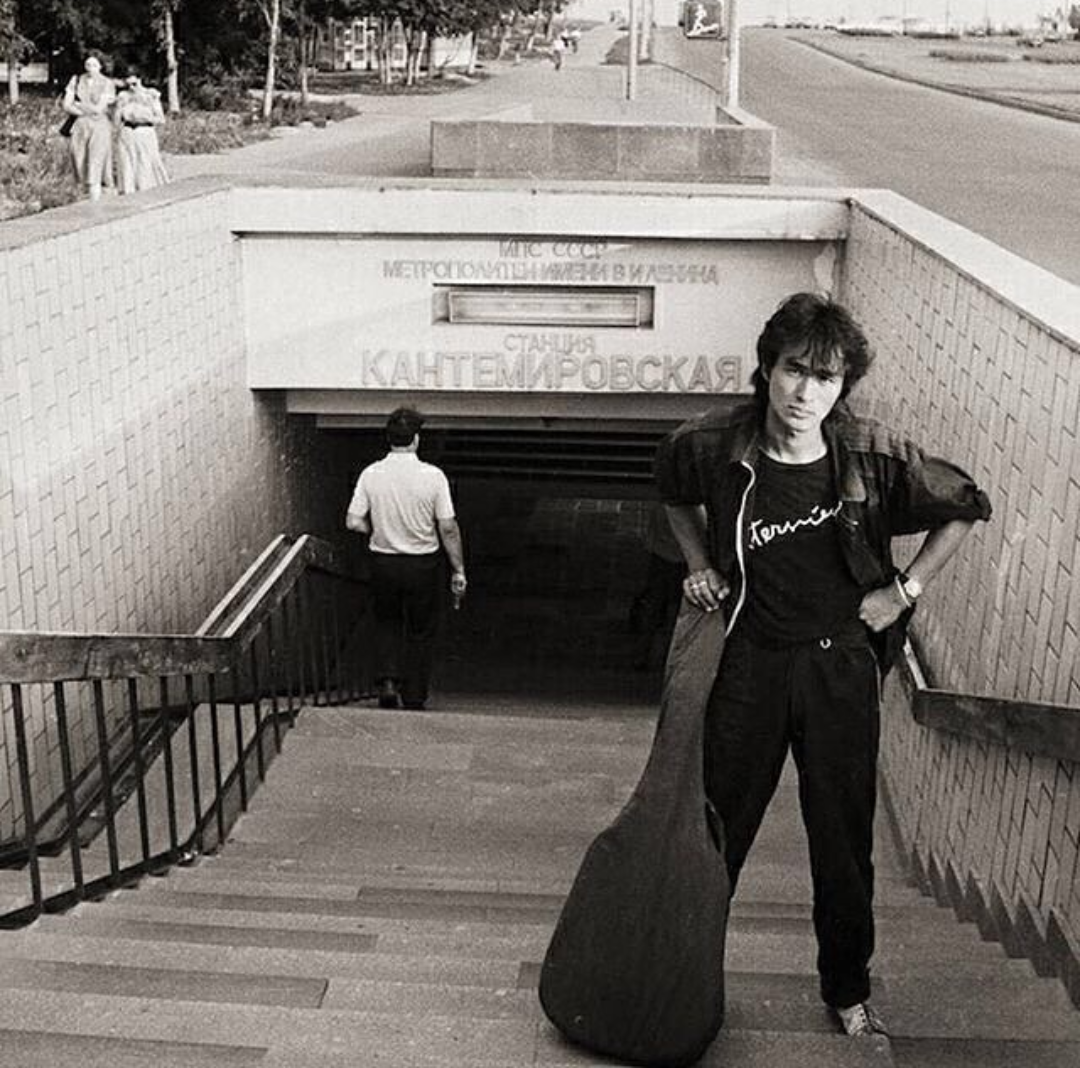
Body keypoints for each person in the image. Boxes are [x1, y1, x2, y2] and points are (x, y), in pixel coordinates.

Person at [656, 292, 991, 1038]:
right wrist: (699, 561)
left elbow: (967, 504)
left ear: (844, 387)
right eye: (795, 371)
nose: (807, 392)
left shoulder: (872, 454)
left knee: (842, 841)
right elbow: (675, 494)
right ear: (767, 369)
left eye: (827, 379)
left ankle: (847, 990)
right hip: (749, 666)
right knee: (719, 835)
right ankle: (684, 984)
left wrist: (902, 592)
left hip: (838, 670)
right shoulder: (712, 445)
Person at [345, 408, 467, 711]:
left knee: (386, 621)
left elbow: (352, 521)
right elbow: (448, 527)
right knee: (420, 629)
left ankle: (387, 680)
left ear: (389, 439)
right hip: (422, 564)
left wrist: (376, 529)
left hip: (383, 561)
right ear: (415, 439)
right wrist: (458, 569)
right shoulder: (433, 477)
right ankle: (414, 694)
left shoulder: (371, 474)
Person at [61, 55, 116, 202]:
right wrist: (80, 110)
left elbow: (99, 109)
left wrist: (79, 105)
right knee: (79, 161)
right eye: (87, 64)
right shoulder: (76, 80)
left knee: (95, 163)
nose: (90, 68)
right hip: (80, 125)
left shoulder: (107, 83)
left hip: (99, 126)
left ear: (100, 66)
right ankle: (83, 197)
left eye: (94, 65)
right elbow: (66, 105)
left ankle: (95, 200)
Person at [114, 71, 169, 194]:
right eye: (128, 85)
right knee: (127, 164)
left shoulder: (150, 95)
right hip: (127, 133)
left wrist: (144, 117)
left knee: (145, 163)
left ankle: (148, 191)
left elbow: (161, 119)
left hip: (145, 132)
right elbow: (116, 121)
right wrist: (119, 107)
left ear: (140, 80)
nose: (132, 88)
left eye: (134, 84)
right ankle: (129, 193)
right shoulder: (123, 96)